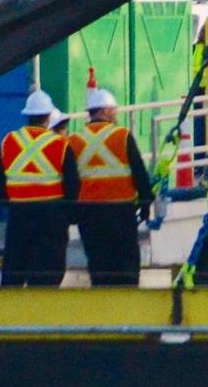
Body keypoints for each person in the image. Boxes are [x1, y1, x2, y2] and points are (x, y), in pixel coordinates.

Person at [65, 85, 154, 288]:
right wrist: (146, 202)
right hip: (120, 210)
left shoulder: (74, 141)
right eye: (114, 109)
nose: (116, 113)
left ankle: (102, 303)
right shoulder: (122, 136)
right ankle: (127, 304)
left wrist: (72, 211)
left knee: (98, 261)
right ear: (105, 110)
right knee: (126, 260)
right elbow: (139, 172)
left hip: (88, 212)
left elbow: (70, 180)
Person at [0, 88, 71, 289]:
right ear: (48, 117)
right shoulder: (60, 144)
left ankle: (10, 314)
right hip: (51, 215)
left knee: (15, 266)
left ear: (27, 116)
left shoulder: (9, 141)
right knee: (48, 270)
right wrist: (68, 214)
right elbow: (73, 183)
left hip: (19, 214)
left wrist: (7, 202)